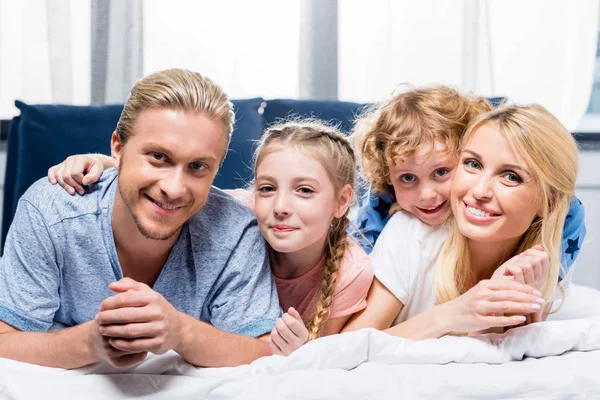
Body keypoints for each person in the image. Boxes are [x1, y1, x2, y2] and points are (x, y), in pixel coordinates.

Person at [0, 69, 281, 369]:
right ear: (118, 148)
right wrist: (91, 342)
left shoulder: (237, 232)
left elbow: (265, 352)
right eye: (158, 157)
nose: (173, 189)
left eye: (198, 166)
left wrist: (181, 332)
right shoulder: (50, 211)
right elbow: (6, 339)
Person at [47, 120, 374, 357]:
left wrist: (301, 352)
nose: (281, 207)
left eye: (304, 191)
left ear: (343, 201)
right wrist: (102, 163)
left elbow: (325, 356)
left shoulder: (351, 272)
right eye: (267, 188)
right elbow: (175, 194)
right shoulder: (241, 214)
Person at [344, 104, 578, 338]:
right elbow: (347, 346)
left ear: (548, 202)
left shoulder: (545, 264)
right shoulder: (412, 234)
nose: (479, 191)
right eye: (473, 164)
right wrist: (452, 316)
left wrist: (509, 327)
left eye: (511, 177)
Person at [350, 86, 585, 281]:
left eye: (441, 172)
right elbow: (352, 263)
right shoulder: (381, 204)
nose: (427, 195)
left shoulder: (564, 212)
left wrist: (545, 282)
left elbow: (567, 212)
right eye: (408, 178)